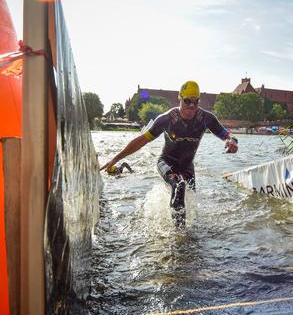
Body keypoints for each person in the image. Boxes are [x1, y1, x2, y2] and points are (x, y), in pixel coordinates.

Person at [100, 80, 238, 227]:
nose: (192, 106)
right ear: (180, 98)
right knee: (179, 185)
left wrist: (232, 141)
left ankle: (187, 234)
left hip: (187, 166)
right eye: (187, 101)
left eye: (195, 101)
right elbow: (141, 140)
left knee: (191, 204)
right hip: (166, 162)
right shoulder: (167, 119)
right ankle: (178, 236)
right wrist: (115, 159)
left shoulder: (206, 118)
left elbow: (227, 135)